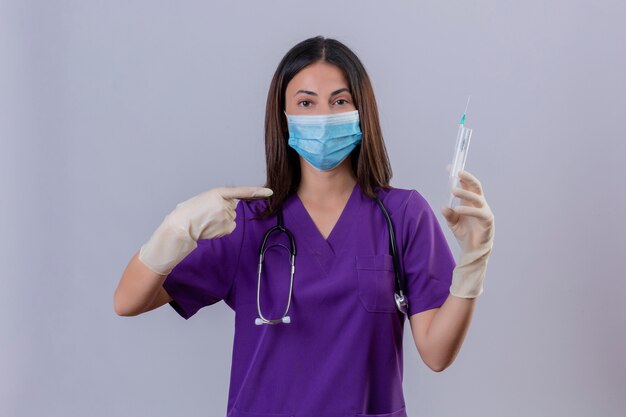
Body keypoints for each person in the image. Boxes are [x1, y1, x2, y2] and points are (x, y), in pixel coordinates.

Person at [114, 35, 495, 417]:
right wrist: (176, 229)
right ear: (284, 117)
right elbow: (128, 301)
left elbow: (437, 353)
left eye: (340, 101)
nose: (323, 116)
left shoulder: (402, 215)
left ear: (363, 112)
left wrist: (473, 262)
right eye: (306, 103)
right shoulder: (246, 221)